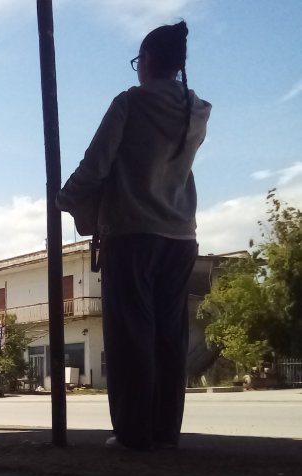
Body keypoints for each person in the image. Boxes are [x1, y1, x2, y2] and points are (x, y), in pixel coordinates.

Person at [58, 21, 211, 451]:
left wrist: (64, 199)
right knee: (169, 335)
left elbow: (96, 164)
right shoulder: (196, 111)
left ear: (145, 62)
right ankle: (165, 431)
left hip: (132, 233)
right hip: (181, 236)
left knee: (131, 337)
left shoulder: (130, 103)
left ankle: (132, 433)